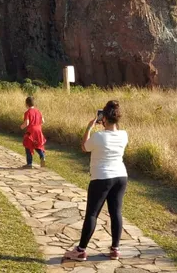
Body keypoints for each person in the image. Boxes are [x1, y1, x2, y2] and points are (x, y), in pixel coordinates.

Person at [64, 100, 128, 262]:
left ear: (104, 118)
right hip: (120, 176)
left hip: (101, 178)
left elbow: (84, 147)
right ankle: (115, 249)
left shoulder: (98, 136)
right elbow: (114, 132)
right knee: (116, 213)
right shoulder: (124, 135)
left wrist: (89, 127)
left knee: (92, 214)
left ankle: (81, 250)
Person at [20, 96, 46, 168]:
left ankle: (29, 164)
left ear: (26, 104)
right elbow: (43, 121)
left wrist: (21, 127)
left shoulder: (27, 112)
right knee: (37, 145)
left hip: (31, 131)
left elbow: (27, 123)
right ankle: (42, 156)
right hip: (39, 130)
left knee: (28, 145)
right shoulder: (38, 111)